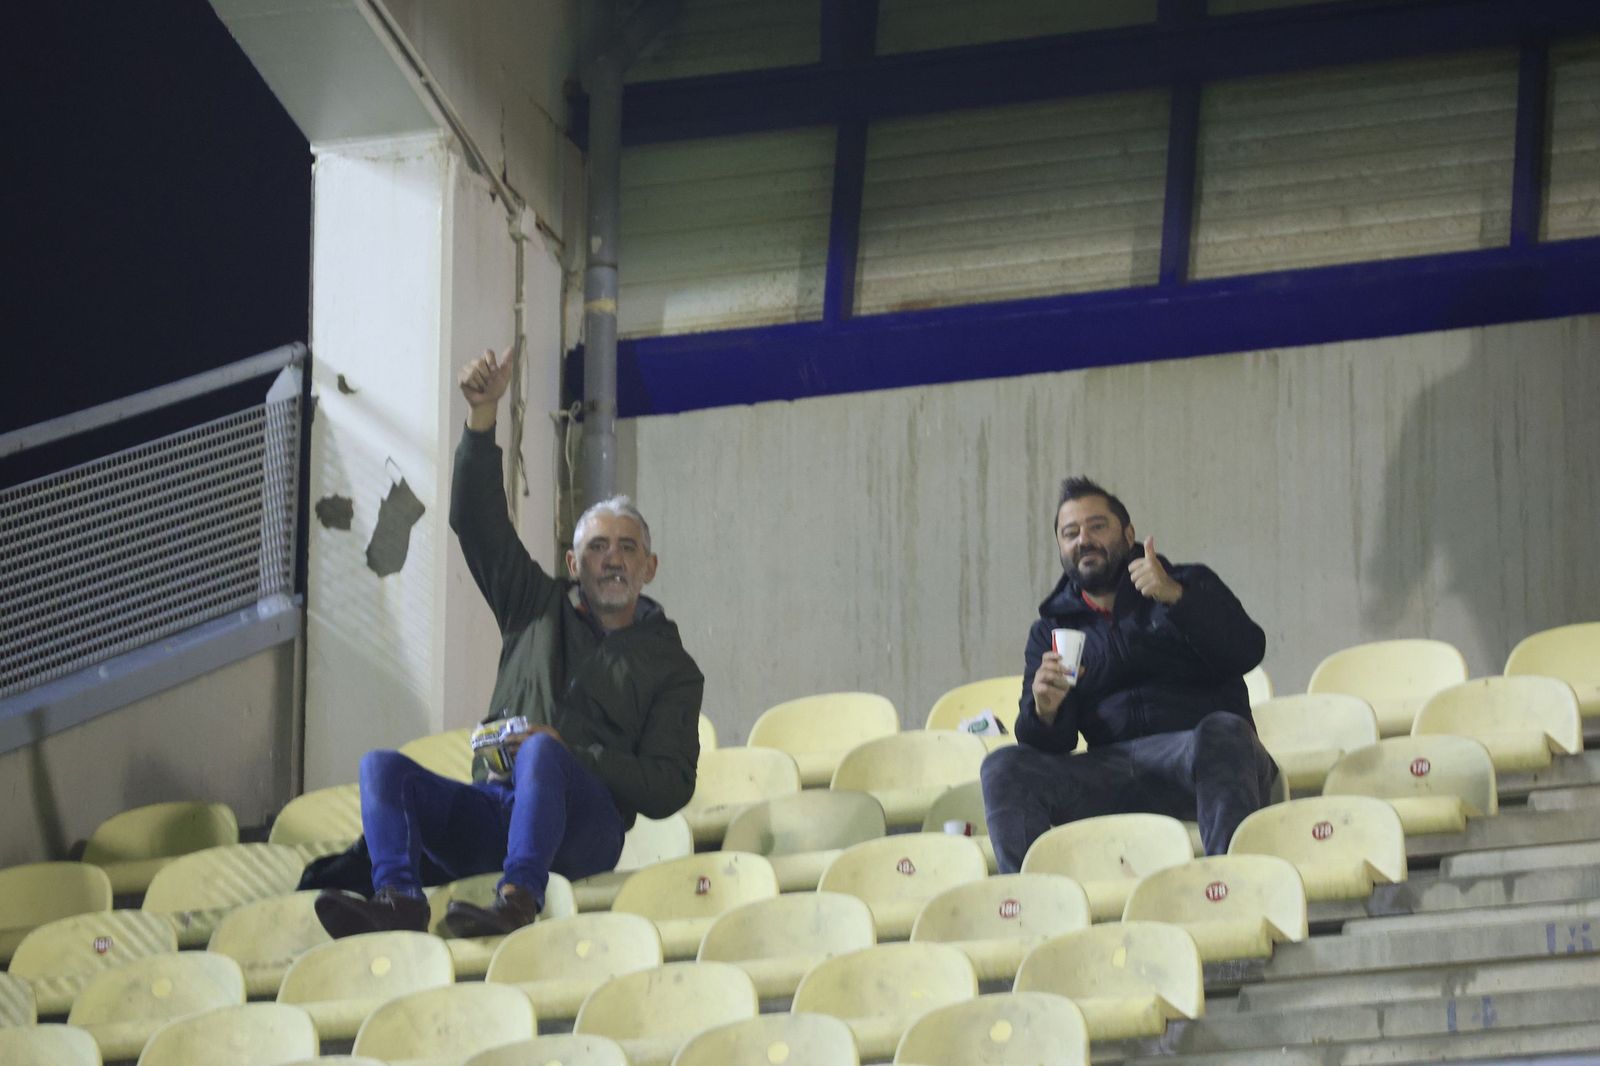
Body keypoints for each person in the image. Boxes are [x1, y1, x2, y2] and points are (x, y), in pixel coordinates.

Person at [315, 348, 705, 939]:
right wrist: (482, 415)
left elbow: (670, 786)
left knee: (544, 752)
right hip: (495, 809)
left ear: (649, 567)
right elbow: (477, 520)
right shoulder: (533, 605)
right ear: (573, 564)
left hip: (585, 830)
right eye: (598, 547)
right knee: (382, 767)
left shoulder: (673, 668)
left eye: (628, 548)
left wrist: (572, 751)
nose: (613, 559)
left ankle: (519, 898)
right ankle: (398, 899)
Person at [980, 476, 1275, 873]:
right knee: (1004, 767)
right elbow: (1049, 745)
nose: (1084, 540)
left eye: (1097, 526)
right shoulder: (1049, 630)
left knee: (1222, 732)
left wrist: (1177, 599)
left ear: (1129, 534)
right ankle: (1034, 900)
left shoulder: (1188, 583)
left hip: (1195, 758)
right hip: (1110, 771)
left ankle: (1228, 886)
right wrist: (1045, 711)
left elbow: (1247, 649)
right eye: (1070, 533)